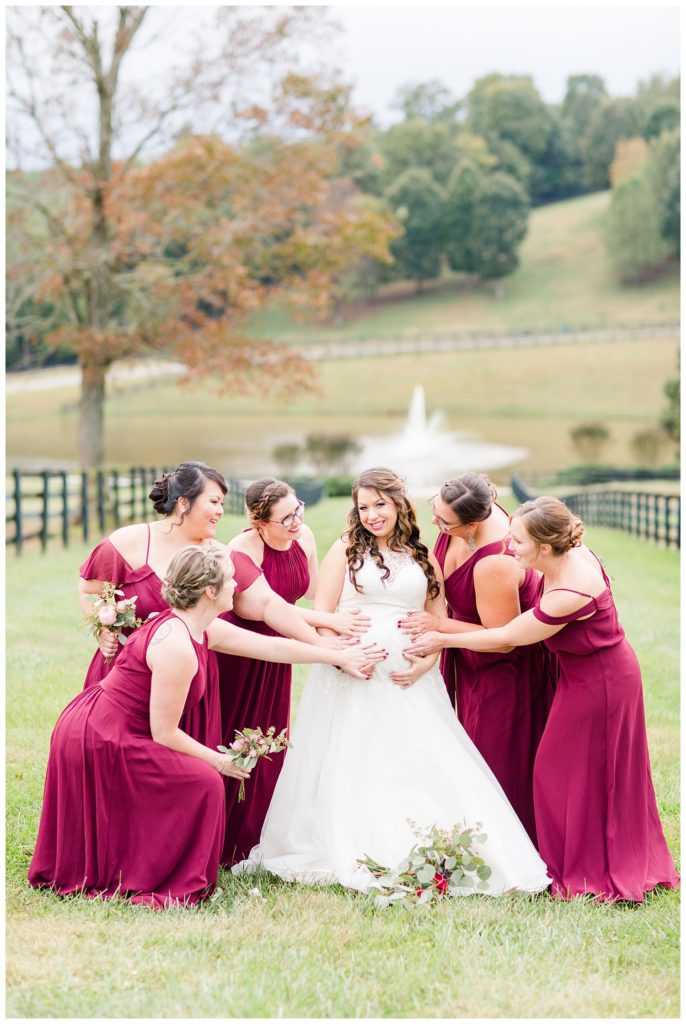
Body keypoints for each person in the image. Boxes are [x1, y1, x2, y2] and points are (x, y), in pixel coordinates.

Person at [235, 468, 551, 895]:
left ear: (399, 503)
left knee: (423, 758)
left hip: (411, 679)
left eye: (379, 504)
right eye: (363, 507)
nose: (371, 515)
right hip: (352, 677)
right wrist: (342, 659)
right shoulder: (345, 548)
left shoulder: (424, 553)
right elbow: (324, 614)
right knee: (352, 759)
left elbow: (440, 620)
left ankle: (428, 840)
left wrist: (429, 660)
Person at [28, 546, 384, 909]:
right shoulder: (177, 645)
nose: (237, 585)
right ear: (211, 592)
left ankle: (149, 862)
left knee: (199, 779)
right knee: (203, 781)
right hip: (101, 735)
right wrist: (219, 761)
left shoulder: (200, 626)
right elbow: (164, 733)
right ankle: (158, 875)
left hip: (117, 726)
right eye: (231, 579)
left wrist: (337, 656)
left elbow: (270, 647)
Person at [405, 497, 680, 902]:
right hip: (577, 674)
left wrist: (443, 636)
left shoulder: (570, 588)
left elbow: (506, 637)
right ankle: (576, 861)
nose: (508, 546)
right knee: (572, 773)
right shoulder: (561, 557)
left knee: (562, 772)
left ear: (545, 547)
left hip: (601, 681)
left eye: (517, 541)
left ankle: (584, 871)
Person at [217, 477, 369, 865]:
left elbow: (313, 593)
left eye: (298, 509)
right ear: (258, 521)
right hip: (243, 652)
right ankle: (224, 836)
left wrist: (346, 618)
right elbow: (268, 605)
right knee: (233, 735)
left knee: (271, 739)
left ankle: (259, 833)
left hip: (282, 651)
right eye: (285, 518)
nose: (296, 521)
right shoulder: (241, 550)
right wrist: (323, 635)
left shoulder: (304, 537)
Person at [398, 474, 554, 841]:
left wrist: (440, 628)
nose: (435, 524)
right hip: (467, 657)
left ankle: (504, 845)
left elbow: (503, 640)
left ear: (473, 524)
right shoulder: (463, 512)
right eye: (434, 511)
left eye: (444, 522)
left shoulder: (494, 563)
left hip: (500, 670)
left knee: (493, 760)